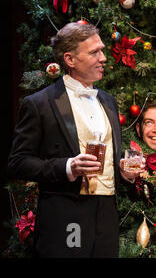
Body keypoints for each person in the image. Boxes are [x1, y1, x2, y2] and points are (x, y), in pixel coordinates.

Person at [8, 22, 140, 257]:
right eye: (94, 52)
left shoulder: (108, 101)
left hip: (106, 216)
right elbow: (18, 163)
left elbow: (110, 157)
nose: (103, 58)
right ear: (70, 60)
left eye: (102, 50)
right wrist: (67, 166)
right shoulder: (40, 104)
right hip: (64, 216)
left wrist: (123, 172)